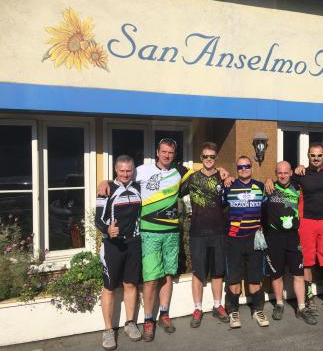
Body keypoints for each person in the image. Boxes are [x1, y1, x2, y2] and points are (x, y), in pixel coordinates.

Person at [97, 138, 229, 341]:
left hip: (172, 232)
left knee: (168, 275)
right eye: (164, 152)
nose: (167, 155)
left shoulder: (181, 172)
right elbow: (122, 178)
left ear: (174, 155)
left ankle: (164, 314)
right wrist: (104, 182)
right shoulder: (141, 170)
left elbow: (207, 170)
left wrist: (222, 170)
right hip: (149, 233)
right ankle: (148, 319)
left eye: (171, 153)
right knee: (150, 279)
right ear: (157, 152)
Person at [281, 142, 323, 318]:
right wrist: (268, 180)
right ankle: (309, 298)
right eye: (313, 155)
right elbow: (281, 182)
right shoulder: (300, 175)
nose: (316, 158)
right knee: (308, 263)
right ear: (308, 156)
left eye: (319, 155)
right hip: (306, 223)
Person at [95, 155, 142, 351]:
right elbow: (97, 219)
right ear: (116, 170)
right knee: (109, 288)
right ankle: (107, 331)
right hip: (112, 246)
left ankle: (130, 323)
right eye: (121, 171)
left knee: (131, 284)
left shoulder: (139, 188)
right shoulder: (106, 190)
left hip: (133, 244)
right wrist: (107, 230)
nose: (125, 174)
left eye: (128, 171)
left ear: (133, 170)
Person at [180, 142, 229, 328]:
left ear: (216, 158)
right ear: (201, 158)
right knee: (198, 272)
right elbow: (174, 189)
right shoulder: (192, 178)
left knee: (218, 271)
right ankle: (198, 308)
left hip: (218, 232)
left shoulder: (223, 177)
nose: (208, 159)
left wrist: (226, 171)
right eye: (205, 156)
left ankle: (218, 305)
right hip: (197, 232)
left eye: (212, 157)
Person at [263, 161, 317, 325]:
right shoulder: (268, 189)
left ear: (291, 173)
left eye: (286, 172)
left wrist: (302, 166)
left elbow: (313, 174)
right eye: (279, 172)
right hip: (274, 237)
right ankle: (279, 304)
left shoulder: (298, 188)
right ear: (275, 173)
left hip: (294, 237)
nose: (283, 175)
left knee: (298, 274)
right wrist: (267, 179)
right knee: (276, 274)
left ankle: (301, 308)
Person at [224, 156, 269, 328]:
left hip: (255, 239)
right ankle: (233, 311)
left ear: (251, 167)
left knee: (255, 277)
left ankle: (257, 310)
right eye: (240, 167)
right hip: (234, 240)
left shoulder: (261, 187)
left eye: (247, 166)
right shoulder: (229, 187)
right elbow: (220, 209)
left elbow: (266, 210)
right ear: (236, 169)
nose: (244, 169)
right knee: (234, 278)